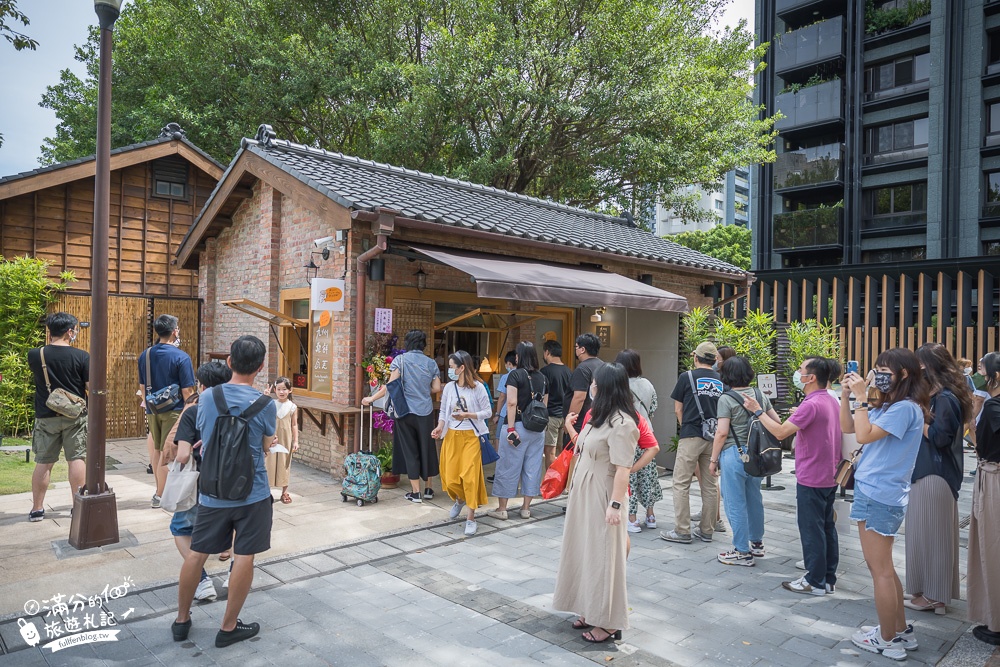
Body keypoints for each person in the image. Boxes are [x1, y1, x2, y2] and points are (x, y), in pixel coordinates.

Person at [172, 335, 277, 648]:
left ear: (229, 362)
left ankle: (181, 620)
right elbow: (265, 445)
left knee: (197, 553)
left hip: (213, 491)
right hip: (253, 493)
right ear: (260, 367)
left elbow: (205, 434)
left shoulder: (206, 398)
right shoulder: (266, 404)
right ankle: (228, 627)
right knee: (245, 556)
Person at [840, 348, 929, 661]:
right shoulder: (891, 403)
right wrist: (846, 395)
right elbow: (850, 428)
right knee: (883, 568)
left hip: (881, 494)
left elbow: (862, 435)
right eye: (875, 369)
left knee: (879, 571)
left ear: (903, 374)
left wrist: (863, 396)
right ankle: (900, 631)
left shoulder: (906, 408)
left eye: (884, 371)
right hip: (873, 490)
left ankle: (887, 639)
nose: (877, 375)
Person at [553, 363, 638, 643]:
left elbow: (623, 468)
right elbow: (582, 446)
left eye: (595, 384)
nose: (592, 388)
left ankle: (609, 622)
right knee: (582, 550)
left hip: (604, 492)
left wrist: (615, 505)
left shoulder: (623, 423)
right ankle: (589, 609)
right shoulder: (597, 416)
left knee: (603, 555)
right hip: (584, 491)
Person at [744, 357, 842, 593]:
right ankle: (827, 578)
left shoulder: (811, 404)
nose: (797, 373)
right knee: (827, 527)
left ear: (812, 377)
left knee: (812, 529)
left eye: (800, 370)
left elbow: (779, 432)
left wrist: (757, 410)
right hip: (830, 472)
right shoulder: (830, 399)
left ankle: (814, 580)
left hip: (813, 474)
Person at [901, 344, 971, 615]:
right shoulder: (944, 395)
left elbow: (940, 438)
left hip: (934, 475)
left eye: (919, 364)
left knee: (933, 538)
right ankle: (930, 593)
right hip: (932, 474)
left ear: (928, 366)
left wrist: (918, 418)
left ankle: (935, 597)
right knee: (927, 536)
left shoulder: (945, 398)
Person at [163, 361, 234, 603]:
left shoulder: (193, 411)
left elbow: (182, 454)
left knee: (182, 529)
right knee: (234, 526)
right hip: (232, 482)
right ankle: (235, 572)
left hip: (200, 483)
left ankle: (202, 581)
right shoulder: (237, 408)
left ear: (201, 386)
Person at [708, 356, 779, 565]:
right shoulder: (758, 394)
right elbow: (776, 422)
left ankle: (741, 551)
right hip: (757, 455)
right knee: (754, 499)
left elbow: (721, 433)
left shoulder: (726, 399)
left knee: (734, 503)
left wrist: (713, 461)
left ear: (726, 375)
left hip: (733, 454)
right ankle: (756, 544)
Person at [362, 329, 442, 503]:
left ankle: (416, 493)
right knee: (427, 448)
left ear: (407, 344)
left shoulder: (400, 360)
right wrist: (422, 390)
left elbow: (390, 386)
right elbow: (436, 388)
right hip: (425, 412)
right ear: (423, 344)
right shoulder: (431, 363)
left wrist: (371, 398)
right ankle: (428, 489)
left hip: (405, 412)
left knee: (411, 450)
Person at [26, 312, 89, 522]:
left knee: (44, 461)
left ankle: (37, 509)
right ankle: (77, 506)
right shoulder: (82, 356)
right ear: (70, 332)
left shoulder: (35, 354)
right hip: (75, 417)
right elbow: (90, 387)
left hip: (46, 415)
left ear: (49, 331)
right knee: (76, 459)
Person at [662, 341, 722, 544]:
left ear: (696, 357)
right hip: (714, 438)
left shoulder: (686, 377)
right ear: (714, 360)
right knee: (711, 484)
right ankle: (707, 530)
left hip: (691, 434)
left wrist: (687, 428)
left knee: (680, 483)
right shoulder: (722, 381)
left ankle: (683, 530)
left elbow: (678, 409)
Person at [139, 314, 196, 509]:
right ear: (174, 331)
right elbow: (188, 390)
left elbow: (142, 385)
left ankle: (158, 491)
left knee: (156, 450)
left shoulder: (145, 355)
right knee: (168, 452)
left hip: (152, 409)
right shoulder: (181, 357)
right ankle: (164, 494)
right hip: (175, 410)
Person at [433, 351, 492, 536]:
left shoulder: (478, 387)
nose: (450, 370)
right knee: (449, 477)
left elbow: (488, 412)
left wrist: (468, 415)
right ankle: (459, 499)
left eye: (452, 367)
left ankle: (471, 518)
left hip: (471, 436)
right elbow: (443, 411)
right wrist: (439, 426)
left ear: (462, 368)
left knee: (470, 477)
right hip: (452, 435)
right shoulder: (449, 387)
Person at [489, 342, 548, 520]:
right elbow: (544, 405)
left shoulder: (515, 375)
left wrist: (511, 428)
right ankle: (526, 508)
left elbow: (511, 402)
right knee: (533, 467)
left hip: (518, 427)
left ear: (518, 357)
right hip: (537, 429)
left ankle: (502, 508)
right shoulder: (543, 377)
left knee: (508, 466)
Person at [970, 351, 1000, 646]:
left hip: (994, 481)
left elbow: (980, 444)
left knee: (993, 550)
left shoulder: (993, 406)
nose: (977, 374)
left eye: (981, 368)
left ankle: (996, 622)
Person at [615, 349, 662, 533]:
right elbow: (653, 408)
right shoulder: (647, 384)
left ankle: (632, 519)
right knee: (648, 477)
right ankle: (650, 516)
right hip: (647, 434)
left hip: (628, 437)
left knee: (630, 478)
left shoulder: (620, 385)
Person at [264, 377, 299, 504]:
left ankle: (284, 492)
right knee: (269, 463)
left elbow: (294, 425)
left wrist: (295, 441)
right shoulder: (271, 403)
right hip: (271, 438)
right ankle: (266, 492)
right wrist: (265, 397)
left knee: (285, 464)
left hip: (286, 438)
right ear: (274, 390)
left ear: (290, 390)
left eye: (284, 389)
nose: (281, 392)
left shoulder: (293, 407)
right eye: (278, 389)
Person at [541, 340, 572, 470]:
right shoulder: (568, 371)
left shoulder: (545, 372)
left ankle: (551, 484)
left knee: (549, 452)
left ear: (547, 352)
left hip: (551, 417)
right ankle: (562, 483)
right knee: (563, 451)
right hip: (565, 417)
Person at [565, 333, 605, 434]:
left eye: (576, 347)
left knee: (575, 449)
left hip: (581, 423)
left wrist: (570, 423)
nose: (575, 350)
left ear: (582, 349)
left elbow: (579, 398)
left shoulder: (582, 369)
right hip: (599, 419)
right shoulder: (604, 366)